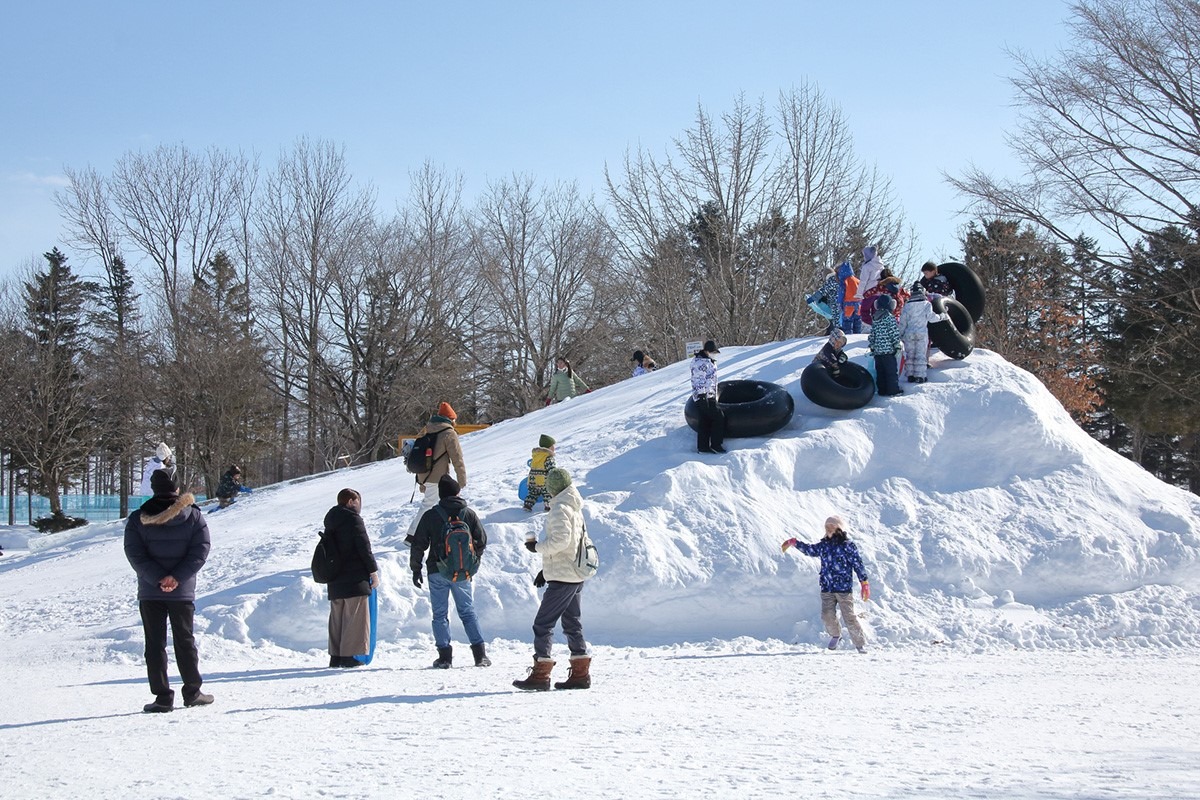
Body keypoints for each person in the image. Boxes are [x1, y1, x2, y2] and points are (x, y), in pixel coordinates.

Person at [123, 468, 212, 712]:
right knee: (185, 641)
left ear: (153, 488)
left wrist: (158, 578)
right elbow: (201, 550)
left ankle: (162, 697)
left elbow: (134, 554)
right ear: (176, 486)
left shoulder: (137, 518)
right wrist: (177, 578)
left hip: (151, 591)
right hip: (182, 592)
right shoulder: (193, 516)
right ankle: (192, 691)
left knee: (154, 644)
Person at [513, 467, 592, 691]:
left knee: (543, 624)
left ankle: (541, 674)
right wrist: (545, 570)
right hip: (574, 573)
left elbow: (560, 542)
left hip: (563, 577)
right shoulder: (575, 507)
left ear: (553, 488)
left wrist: (536, 547)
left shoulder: (559, 509)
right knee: (571, 623)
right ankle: (580, 672)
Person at [409, 475, 490, 669]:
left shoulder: (431, 515)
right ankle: (480, 655)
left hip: (437, 570)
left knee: (439, 614)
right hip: (462, 571)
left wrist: (416, 569)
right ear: (457, 492)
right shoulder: (468, 514)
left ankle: (445, 657)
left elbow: (418, 544)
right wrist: (472, 561)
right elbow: (482, 540)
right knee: (468, 612)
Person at [781, 515, 871, 653]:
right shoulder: (824, 545)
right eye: (827, 527)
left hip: (843, 589)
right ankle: (836, 635)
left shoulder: (848, 546)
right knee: (827, 615)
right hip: (827, 587)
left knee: (849, 617)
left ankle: (860, 644)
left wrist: (864, 582)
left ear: (839, 529)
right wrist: (795, 542)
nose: (829, 530)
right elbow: (810, 550)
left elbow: (857, 564)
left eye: (832, 527)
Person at [323, 488, 379, 668]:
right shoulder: (353, 519)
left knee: (337, 618)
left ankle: (336, 656)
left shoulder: (331, 521)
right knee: (355, 618)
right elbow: (364, 547)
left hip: (335, 577)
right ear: (350, 501)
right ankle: (350, 657)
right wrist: (373, 571)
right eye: (358, 502)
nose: (359, 506)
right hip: (355, 577)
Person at [405, 402, 468, 541]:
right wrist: (461, 480)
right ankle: (412, 536)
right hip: (437, 478)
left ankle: (438, 532)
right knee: (428, 505)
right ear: (450, 419)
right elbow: (457, 458)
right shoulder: (449, 433)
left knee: (437, 505)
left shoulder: (429, 429)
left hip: (424, 475)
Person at [898, 282, 949, 383]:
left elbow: (902, 322)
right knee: (920, 355)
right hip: (922, 333)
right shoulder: (926, 304)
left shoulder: (907, 306)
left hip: (909, 333)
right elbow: (932, 318)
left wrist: (900, 334)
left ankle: (910, 375)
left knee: (910, 354)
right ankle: (920, 376)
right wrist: (943, 316)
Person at [690, 339, 725, 454]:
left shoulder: (707, 361)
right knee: (718, 417)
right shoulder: (700, 363)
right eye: (713, 352)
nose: (714, 354)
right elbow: (699, 380)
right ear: (707, 351)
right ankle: (716, 444)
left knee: (704, 420)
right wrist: (702, 396)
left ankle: (703, 447)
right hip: (704, 396)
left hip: (709, 394)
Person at [868, 294, 904, 397]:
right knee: (891, 372)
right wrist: (897, 345)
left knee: (881, 372)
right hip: (888, 351)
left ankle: (882, 390)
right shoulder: (889, 317)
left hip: (878, 352)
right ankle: (893, 390)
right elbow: (894, 333)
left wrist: (872, 345)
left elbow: (872, 334)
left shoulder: (875, 318)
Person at [523, 434, 556, 513]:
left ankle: (527, 505)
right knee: (547, 493)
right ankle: (548, 507)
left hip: (532, 480)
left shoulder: (536, 456)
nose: (554, 448)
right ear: (550, 447)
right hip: (543, 481)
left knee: (533, 493)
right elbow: (551, 469)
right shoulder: (548, 457)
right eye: (553, 446)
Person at [807, 269, 841, 335]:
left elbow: (823, 291)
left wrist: (813, 298)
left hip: (835, 304)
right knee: (837, 319)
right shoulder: (838, 280)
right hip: (842, 303)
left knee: (835, 320)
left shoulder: (831, 280)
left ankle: (836, 333)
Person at [836, 261, 862, 335]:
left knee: (847, 323)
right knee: (857, 322)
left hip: (848, 305)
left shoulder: (844, 282)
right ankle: (858, 336)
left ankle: (848, 337)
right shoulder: (857, 280)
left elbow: (841, 293)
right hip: (858, 304)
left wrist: (839, 303)